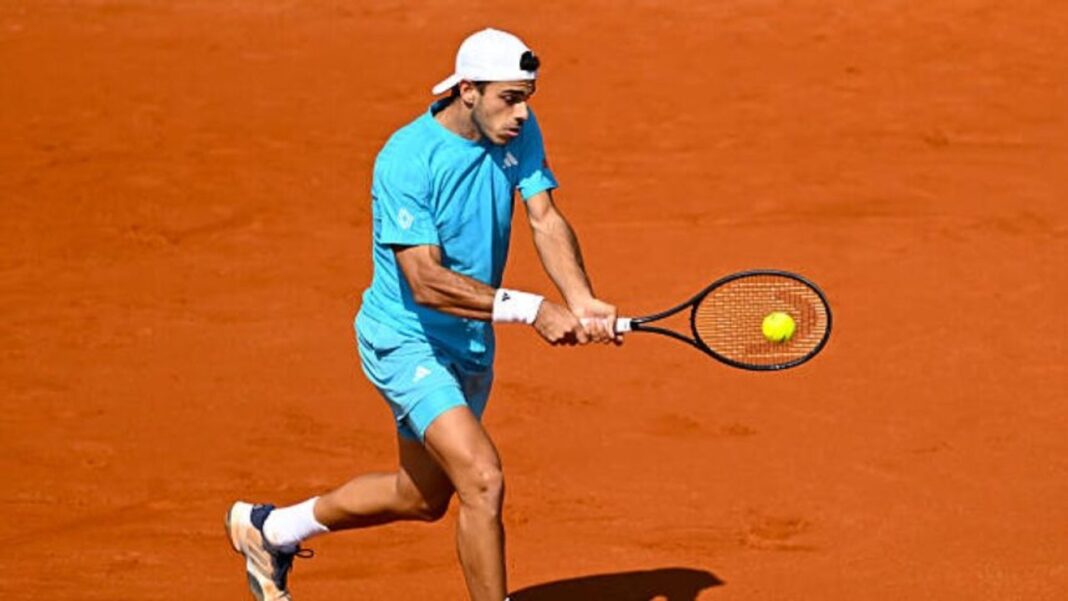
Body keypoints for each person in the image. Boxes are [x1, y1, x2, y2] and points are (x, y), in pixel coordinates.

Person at [225, 28, 619, 601]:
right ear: (468, 91)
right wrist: (532, 307)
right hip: (405, 340)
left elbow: (544, 217)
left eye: (527, 97)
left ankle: (270, 530)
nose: (522, 112)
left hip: (468, 344)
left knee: (422, 497)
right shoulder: (407, 159)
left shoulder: (519, 131)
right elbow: (425, 281)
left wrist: (580, 298)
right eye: (509, 97)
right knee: (482, 479)